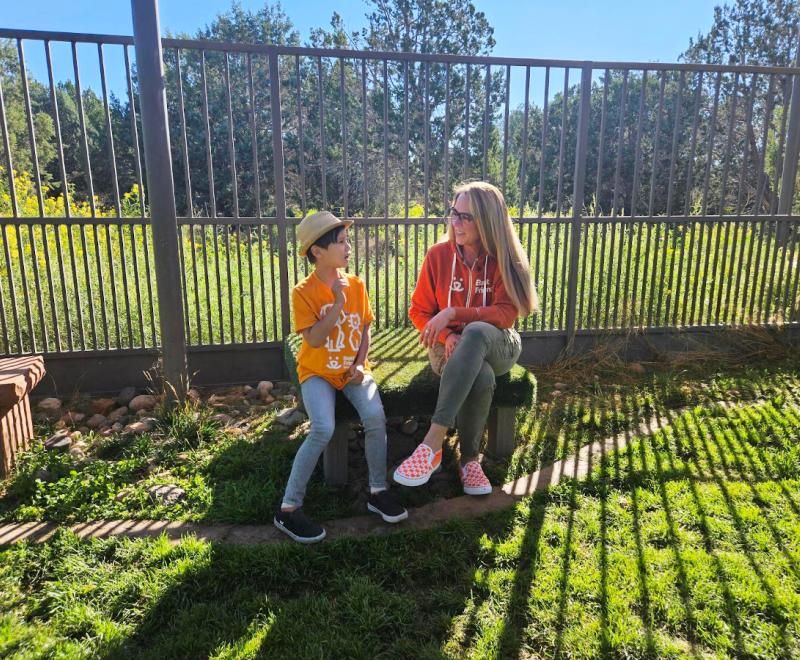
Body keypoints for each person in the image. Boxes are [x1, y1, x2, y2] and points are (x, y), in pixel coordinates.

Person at [394, 181, 538, 495]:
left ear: (487, 220)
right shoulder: (438, 256)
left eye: (466, 217)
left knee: (475, 332)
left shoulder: (503, 257)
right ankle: (470, 461)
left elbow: (506, 315)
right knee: (481, 375)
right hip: (448, 346)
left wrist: (454, 313)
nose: (456, 222)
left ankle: (431, 443)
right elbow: (418, 311)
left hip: (498, 343)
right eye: (454, 213)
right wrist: (445, 334)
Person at [274, 211, 407, 544]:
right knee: (323, 427)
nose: (349, 248)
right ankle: (288, 509)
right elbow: (315, 340)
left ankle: (377, 492)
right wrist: (336, 304)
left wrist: (360, 364)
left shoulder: (357, 284)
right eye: (342, 243)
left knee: (374, 416)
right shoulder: (303, 292)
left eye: (348, 241)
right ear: (317, 252)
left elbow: (365, 329)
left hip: (352, 371)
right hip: (317, 372)